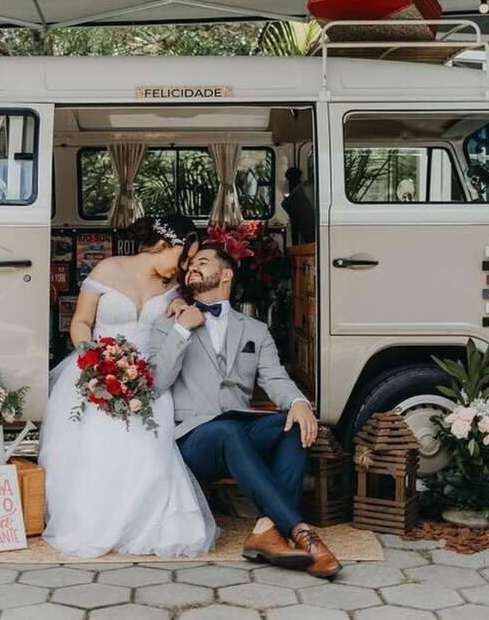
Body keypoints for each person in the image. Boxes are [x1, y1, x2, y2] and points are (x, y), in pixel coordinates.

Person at [147, 245, 341, 578]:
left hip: (239, 428)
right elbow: (156, 383)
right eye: (190, 264)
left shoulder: (255, 330)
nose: (192, 267)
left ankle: (266, 529)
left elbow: (276, 378)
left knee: (293, 424)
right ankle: (300, 532)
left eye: (202, 263)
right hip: (193, 437)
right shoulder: (169, 323)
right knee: (226, 430)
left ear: (226, 275)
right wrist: (182, 330)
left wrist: (297, 403)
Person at [39, 216, 218, 558]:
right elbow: (81, 322)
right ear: (165, 245)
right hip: (96, 369)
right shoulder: (107, 269)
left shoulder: (175, 290)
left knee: (148, 450)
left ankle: (144, 522)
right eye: (183, 258)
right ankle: (94, 521)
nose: (184, 268)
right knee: (95, 444)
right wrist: (91, 361)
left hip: (146, 380)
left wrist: (181, 307)